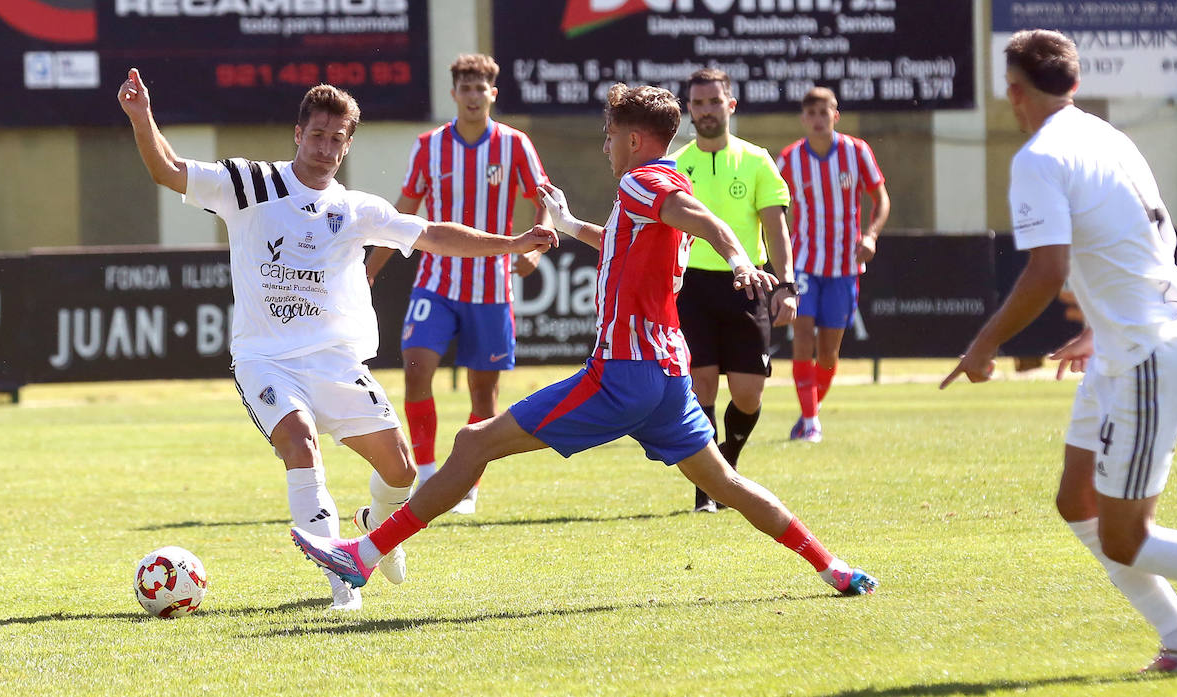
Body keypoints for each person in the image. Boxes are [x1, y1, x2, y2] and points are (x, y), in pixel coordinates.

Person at [292, 84, 879, 599]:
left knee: (472, 443)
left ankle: (363, 556)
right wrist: (571, 226)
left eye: (610, 135)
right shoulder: (650, 192)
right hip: (669, 377)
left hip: (624, 372)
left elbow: (702, 219)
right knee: (726, 481)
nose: (604, 146)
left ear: (633, 141)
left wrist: (734, 256)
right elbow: (630, 242)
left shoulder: (646, 180)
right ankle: (833, 567)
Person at [117, 69, 556, 610]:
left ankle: (374, 524)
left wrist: (510, 243)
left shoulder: (356, 209)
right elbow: (168, 170)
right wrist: (143, 118)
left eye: (337, 138)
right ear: (298, 134)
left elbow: (434, 234)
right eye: (317, 135)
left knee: (400, 471)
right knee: (300, 446)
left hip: (335, 362)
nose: (325, 148)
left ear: (348, 145)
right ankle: (342, 582)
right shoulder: (248, 184)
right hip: (266, 360)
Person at [942, 29, 1177, 673]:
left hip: (1146, 358)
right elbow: (1144, 241)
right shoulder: (1106, 135)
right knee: (1077, 502)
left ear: (1017, 93)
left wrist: (983, 345)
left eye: (1011, 91)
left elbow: (1047, 271)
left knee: (1125, 539)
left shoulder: (1040, 156)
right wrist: (1099, 326)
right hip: (1124, 350)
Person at [365, 54, 551, 515]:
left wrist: (534, 247)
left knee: (483, 396)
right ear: (453, 94)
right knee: (415, 367)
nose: (472, 95)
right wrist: (369, 268)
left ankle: (465, 485)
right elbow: (404, 209)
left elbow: (542, 199)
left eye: (480, 87)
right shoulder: (429, 146)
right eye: (464, 88)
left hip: (491, 289)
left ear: (493, 93)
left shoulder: (515, 145)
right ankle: (427, 474)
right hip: (437, 282)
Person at [670, 68, 798, 513]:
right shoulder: (676, 163)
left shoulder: (758, 160)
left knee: (748, 393)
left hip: (748, 283)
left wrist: (786, 286)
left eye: (713, 102)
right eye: (698, 103)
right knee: (701, 383)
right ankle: (708, 487)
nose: (705, 110)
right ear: (689, 108)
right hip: (692, 287)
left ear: (731, 105)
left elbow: (776, 228)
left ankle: (729, 461)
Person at [775, 88, 889, 443]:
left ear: (835, 115)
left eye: (825, 112)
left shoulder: (857, 152)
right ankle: (811, 422)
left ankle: (809, 413)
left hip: (844, 268)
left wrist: (870, 235)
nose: (818, 119)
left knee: (828, 353)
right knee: (802, 340)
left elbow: (880, 199)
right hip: (805, 265)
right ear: (803, 119)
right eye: (811, 113)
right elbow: (771, 203)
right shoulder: (790, 159)